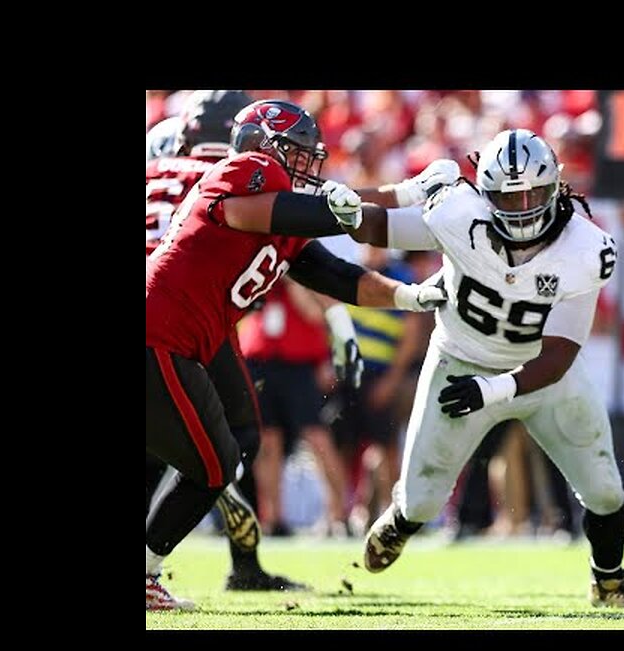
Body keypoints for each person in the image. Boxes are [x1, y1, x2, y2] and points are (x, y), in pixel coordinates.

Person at [146, 99, 446, 611]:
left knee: (229, 445)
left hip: (192, 338)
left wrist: (411, 297)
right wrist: (354, 205)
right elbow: (254, 211)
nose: (309, 165)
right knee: (213, 465)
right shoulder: (245, 173)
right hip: (161, 334)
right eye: (299, 153)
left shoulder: (283, 214)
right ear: (266, 145)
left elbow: (337, 275)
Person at [339, 129, 624, 609]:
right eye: (508, 196)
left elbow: (559, 356)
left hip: (544, 373)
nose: (523, 206)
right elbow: (376, 227)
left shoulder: (587, 248)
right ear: (485, 195)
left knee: (606, 489)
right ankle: (402, 518)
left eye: (533, 192)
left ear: (557, 185)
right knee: (423, 502)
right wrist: (346, 206)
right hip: (459, 359)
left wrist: (491, 390)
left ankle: (609, 583)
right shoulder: (458, 214)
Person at [145, 90, 309, 592]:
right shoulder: (235, 178)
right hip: (187, 321)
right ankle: (239, 561)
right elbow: (304, 261)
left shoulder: (158, 169)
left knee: (197, 450)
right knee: (226, 447)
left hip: (173, 312)